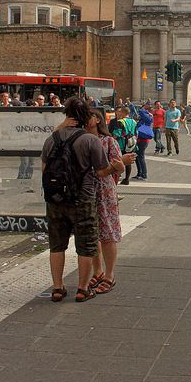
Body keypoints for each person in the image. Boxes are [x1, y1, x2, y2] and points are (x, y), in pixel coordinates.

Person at [42, 97, 132, 303]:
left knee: (57, 246)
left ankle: (57, 288)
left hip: (56, 200)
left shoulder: (52, 138)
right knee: (87, 245)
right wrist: (118, 166)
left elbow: (44, 169)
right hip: (83, 199)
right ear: (85, 117)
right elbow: (102, 172)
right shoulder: (89, 140)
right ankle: (82, 289)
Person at [86, 109, 124, 295]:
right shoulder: (82, 140)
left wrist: (109, 168)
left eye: (88, 116)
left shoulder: (109, 141)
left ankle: (109, 275)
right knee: (92, 233)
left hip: (105, 191)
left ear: (97, 120)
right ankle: (97, 271)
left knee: (107, 232)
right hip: (86, 191)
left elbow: (119, 168)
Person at [109, 106, 137, 184]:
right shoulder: (133, 121)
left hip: (121, 144)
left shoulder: (121, 122)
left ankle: (116, 179)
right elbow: (136, 133)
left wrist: (112, 141)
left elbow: (117, 134)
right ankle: (127, 179)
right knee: (128, 161)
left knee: (119, 160)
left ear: (124, 113)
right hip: (131, 143)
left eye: (121, 112)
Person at [133, 102, 154, 180]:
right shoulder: (146, 117)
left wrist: (144, 108)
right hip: (140, 139)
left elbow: (141, 111)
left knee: (141, 156)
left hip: (143, 140)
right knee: (137, 156)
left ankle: (144, 174)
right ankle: (139, 173)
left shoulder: (148, 117)